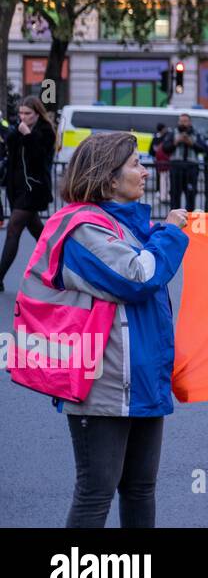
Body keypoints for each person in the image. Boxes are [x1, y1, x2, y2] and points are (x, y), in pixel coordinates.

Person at [35, 132, 189, 527]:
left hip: (140, 380)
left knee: (140, 489)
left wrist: (159, 234)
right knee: (95, 494)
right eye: (136, 164)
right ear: (108, 180)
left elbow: (136, 255)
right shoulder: (82, 229)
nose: (144, 171)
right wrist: (171, 234)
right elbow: (137, 277)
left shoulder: (123, 223)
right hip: (101, 387)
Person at [0, 96, 56, 291]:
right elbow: (11, 147)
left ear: (37, 114)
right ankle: (61, 258)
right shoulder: (19, 128)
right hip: (17, 188)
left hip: (34, 189)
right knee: (38, 232)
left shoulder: (46, 131)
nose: (23, 117)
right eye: (21, 113)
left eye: (28, 114)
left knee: (13, 228)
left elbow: (40, 158)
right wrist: (15, 131)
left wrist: (29, 136)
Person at [162, 113, 208, 212]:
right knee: (175, 195)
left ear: (190, 123)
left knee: (191, 195)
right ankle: (175, 220)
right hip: (176, 168)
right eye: (181, 121)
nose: (183, 124)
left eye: (185, 121)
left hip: (191, 169)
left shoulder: (196, 134)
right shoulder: (172, 133)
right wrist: (176, 142)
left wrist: (191, 143)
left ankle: (189, 220)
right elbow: (165, 148)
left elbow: (204, 149)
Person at [149, 122, 171, 204]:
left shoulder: (155, 138)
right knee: (164, 179)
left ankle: (161, 194)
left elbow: (151, 151)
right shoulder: (165, 138)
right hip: (164, 162)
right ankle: (164, 195)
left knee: (161, 178)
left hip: (158, 161)